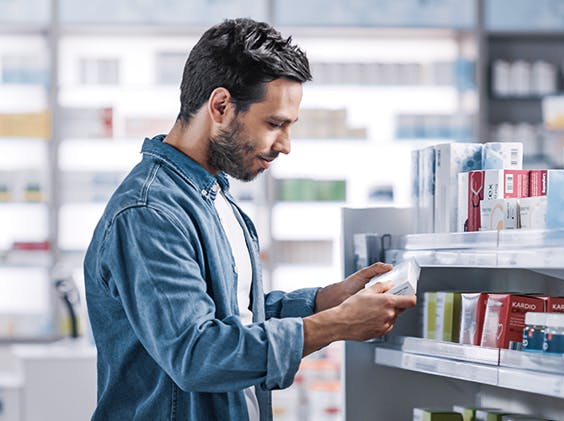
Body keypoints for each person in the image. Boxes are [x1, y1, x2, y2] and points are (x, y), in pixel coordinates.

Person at [83, 18, 416, 421]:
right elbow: (198, 353)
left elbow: (235, 319)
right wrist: (336, 324)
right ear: (221, 106)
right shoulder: (149, 213)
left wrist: (325, 300)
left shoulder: (213, 197)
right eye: (275, 124)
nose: (285, 145)